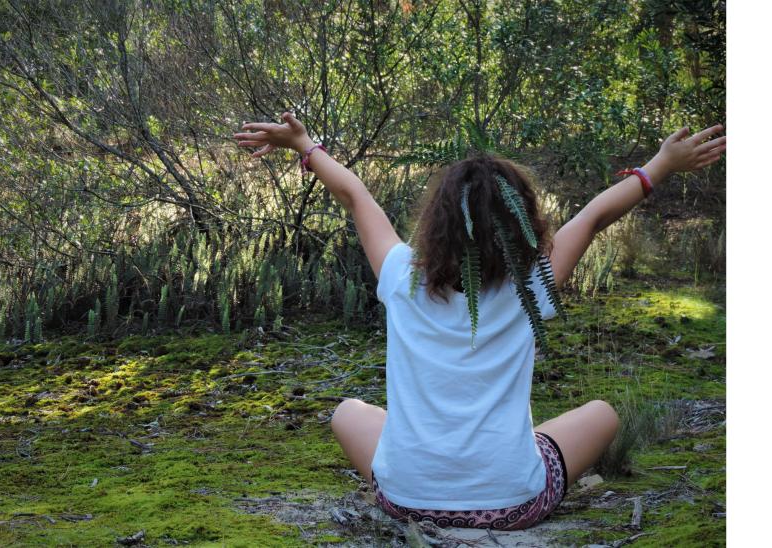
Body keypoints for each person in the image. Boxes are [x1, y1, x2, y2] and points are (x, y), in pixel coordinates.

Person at [233, 113, 725, 530]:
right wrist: (661, 164)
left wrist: (303, 145)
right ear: (520, 223)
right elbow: (593, 218)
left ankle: (436, 474)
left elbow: (357, 197)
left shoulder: (401, 275)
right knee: (602, 414)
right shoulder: (533, 281)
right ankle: (496, 460)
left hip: (405, 501)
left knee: (347, 412)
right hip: (514, 506)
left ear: (437, 222)